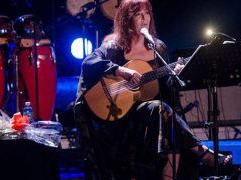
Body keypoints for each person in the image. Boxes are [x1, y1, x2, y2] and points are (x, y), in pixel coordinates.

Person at [74, 0, 232, 179]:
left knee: (163, 116)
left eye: (147, 13)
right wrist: (121, 70)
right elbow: (88, 63)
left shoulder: (158, 48)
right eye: (138, 14)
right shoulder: (113, 47)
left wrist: (175, 75)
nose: (144, 19)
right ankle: (203, 152)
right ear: (126, 19)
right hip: (118, 119)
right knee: (159, 110)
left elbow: (165, 90)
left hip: (150, 115)